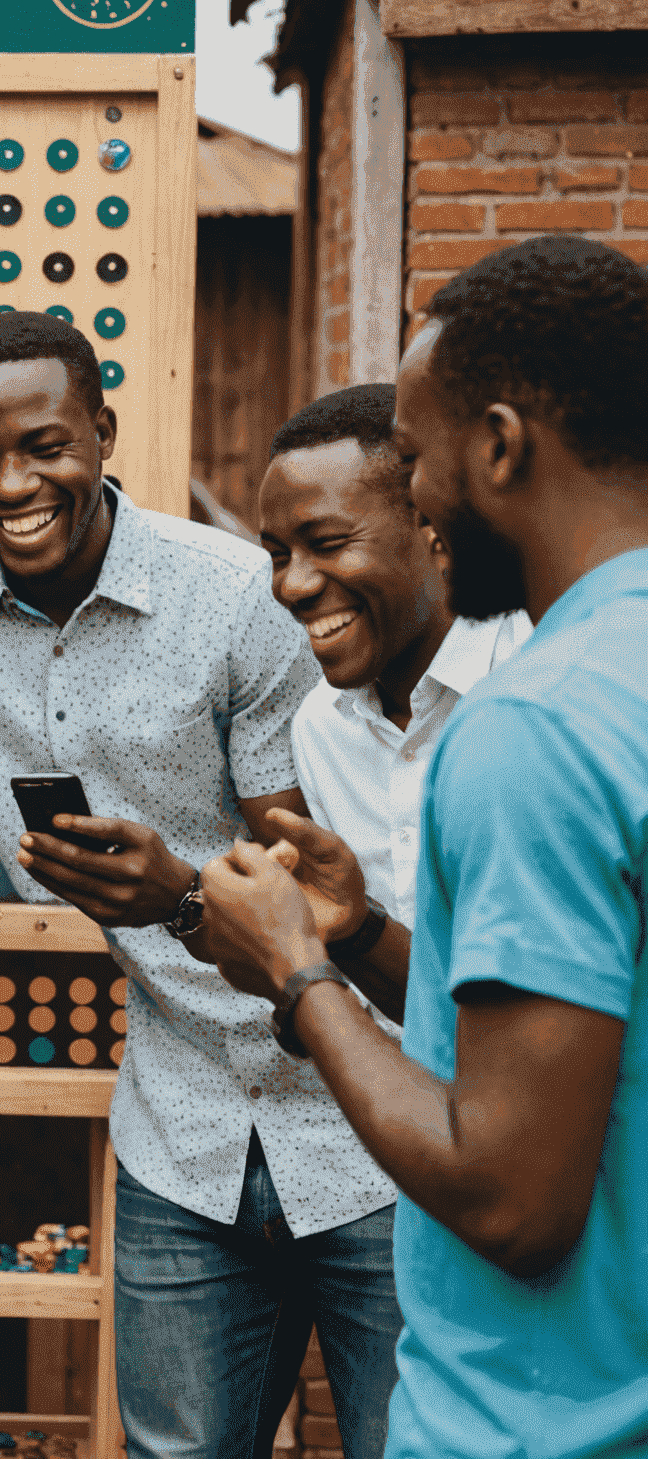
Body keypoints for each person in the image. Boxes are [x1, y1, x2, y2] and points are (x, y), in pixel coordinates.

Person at [0, 310, 402, 1459]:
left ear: (104, 435)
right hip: (180, 1124)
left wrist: (174, 892)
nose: (12, 484)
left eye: (46, 446)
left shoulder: (236, 601)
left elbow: (303, 885)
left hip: (361, 1117)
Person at [201, 235, 648, 1459]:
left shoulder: (537, 725)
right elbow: (569, 1051)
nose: (421, 490)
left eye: (422, 449)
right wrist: (366, 933)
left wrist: (294, 971)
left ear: (499, 447)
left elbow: (509, 1190)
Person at [258, 383, 530, 1029]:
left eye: (326, 542)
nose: (292, 585)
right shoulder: (321, 729)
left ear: (429, 525)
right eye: (277, 555)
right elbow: (412, 1005)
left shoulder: (532, 680)